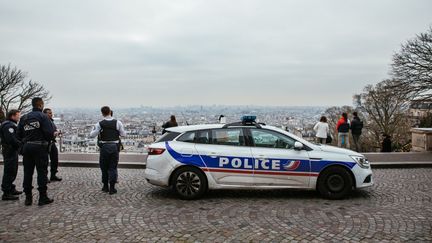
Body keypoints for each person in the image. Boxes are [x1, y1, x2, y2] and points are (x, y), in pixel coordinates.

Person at [17, 97, 55, 206]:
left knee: (27, 172)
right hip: (40, 147)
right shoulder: (43, 116)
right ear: (41, 105)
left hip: (27, 147)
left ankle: (28, 198)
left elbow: (18, 134)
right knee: (42, 172)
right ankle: (42, 197)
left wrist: (24, 143)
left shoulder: (24, 118)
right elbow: (49, 133)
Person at [89, 106, 125, 195]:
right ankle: (112, 188)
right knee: (113, 167)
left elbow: (92, 135)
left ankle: (105, 186)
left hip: (104, 147)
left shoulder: (99, 124)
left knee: (104, 167)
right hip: (114, 146)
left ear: (102, 113)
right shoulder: (118, 123)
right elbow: (123, 134)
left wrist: (98, 130)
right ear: (110, 112)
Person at [1, 109, 22, 201]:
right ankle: (6, 192)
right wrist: (21, 144)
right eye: (18, 115)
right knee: (9, 170)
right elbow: (11, 139)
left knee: (13, 169)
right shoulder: (8, 126)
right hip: (9, 150)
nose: (19, 117)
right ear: (12, 116)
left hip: (11, 150)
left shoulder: (10, 124)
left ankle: (11, 188)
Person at [43, 108, 62, 182]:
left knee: (55, 159)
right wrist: (54, 133)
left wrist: (57, 132)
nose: (51, 114)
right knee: (45, 161)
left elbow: (53, 130)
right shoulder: (43, 122)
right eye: (49, 113)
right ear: (45, 114)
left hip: (52, 142)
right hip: (46, 143)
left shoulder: (51, 121)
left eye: (51, 113)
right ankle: (45, 177)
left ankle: (53, 175)